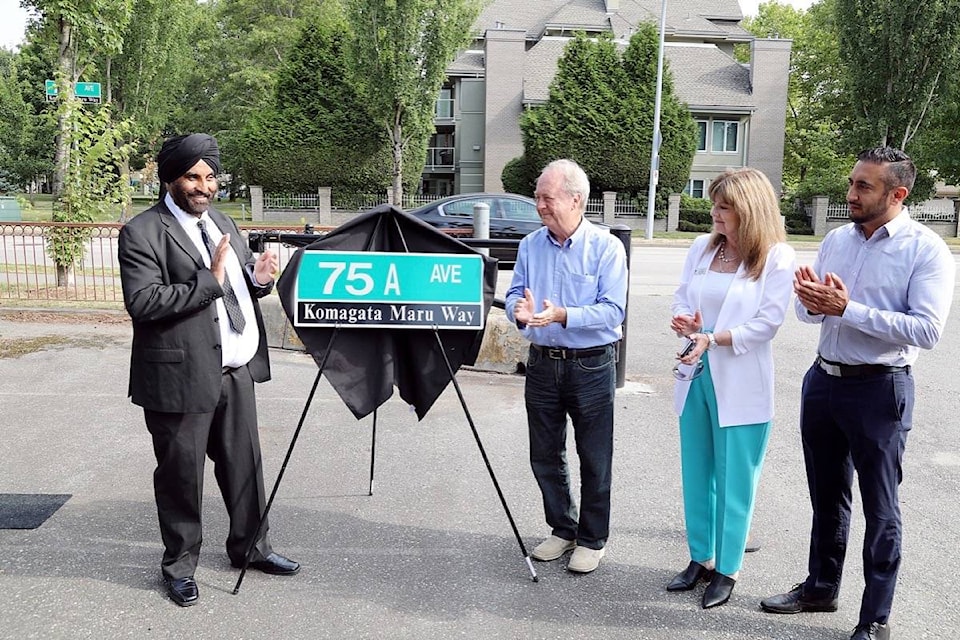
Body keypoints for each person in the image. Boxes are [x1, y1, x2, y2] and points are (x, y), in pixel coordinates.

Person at [760, 147, 955, 640]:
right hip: (824, 381)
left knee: (880, 507)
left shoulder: (926, 249)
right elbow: (813, 315)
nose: (850, 194)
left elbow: (927, 331)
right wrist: (811, 302)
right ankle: (820, 589)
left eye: (863, 187)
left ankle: (875, 619)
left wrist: (849, 309)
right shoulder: (836, 239)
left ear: (898, 193)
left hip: (880, 389)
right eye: (852, 182)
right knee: (827, 497)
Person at [118, 133, 300, 607]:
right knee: (181, 476)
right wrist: (210, 279)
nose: (204, 186)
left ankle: (251, 548)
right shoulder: (142, 232)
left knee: (246, 467)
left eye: (210, 177)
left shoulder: (220, 221)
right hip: (178, 377)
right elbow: (143, 302)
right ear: (171, 179)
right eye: (193, 177)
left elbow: (235, 290)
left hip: (233, 371)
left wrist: (258, 279)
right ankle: (179, 566)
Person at [666, 167, 795, 608]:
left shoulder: (776, 257)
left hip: (740, 384)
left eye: (725, 207)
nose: (715, 214)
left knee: (735, 480)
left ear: (750, 211)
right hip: (697, 378)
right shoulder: (704, 247)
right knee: (696, 473)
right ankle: (700, 559)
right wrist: (686, 320)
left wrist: (714, 338)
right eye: (716, 205)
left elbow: (767, 324)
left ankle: (728, 568)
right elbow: (684, 295)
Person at [504, 159, 628, 574]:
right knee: (544, 453)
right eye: (537, 196)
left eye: (546, 197)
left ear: (576, 200)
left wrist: (563, 315)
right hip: (541, 364)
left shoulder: (606, 247)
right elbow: (513, 296)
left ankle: (592, 539)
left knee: (594, 456)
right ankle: (562, 528)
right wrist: (519, 311)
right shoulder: (530, 245)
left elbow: (613, 312)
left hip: (590, 365)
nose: (538, 204)